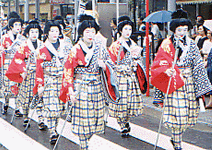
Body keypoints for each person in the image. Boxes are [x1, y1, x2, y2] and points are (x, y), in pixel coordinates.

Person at [151, 11, 212, 150]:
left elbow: (197, 64)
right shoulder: (167, 43)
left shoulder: (192, 44)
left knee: (187, 115)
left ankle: (176, 137)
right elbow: (159, 62)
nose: (182, 32)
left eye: (185, 30)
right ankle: (178, 143)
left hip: (188, 82)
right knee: (177, 113)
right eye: (179, 30)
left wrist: (200, 86)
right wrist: (166, 70)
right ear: (174, 30)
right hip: (174, 82)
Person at [60, 19, 116, 150]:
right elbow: (68, 71)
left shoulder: (100, 48)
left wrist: (105, 66)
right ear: (81, 33)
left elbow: (111, 64)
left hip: (97, 86)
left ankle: (86, 140)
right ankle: (84, 145)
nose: (90, 34)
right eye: (87, 32)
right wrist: (70, 90)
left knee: (96, 117)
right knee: (83, 118)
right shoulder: (75, 49)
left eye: (93, 31)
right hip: (81, 86)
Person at [34, 21, 72, 144]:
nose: (55, 34)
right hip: (49, 80)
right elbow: (39, 69)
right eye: (52, 31)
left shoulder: (65, 46)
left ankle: (54, 127)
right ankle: (52, 131)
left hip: (62, 81)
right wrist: (40, 85)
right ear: (47, 33)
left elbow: (70, 64)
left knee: (60, 108)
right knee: (51, 107)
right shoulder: (42, 49)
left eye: (57, 31)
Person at [108, 20, 146, 137]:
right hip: (120, 77)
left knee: (130, 102)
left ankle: (126, 120)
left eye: (130, 29)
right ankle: (122, 124)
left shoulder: (134, 45)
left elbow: (139, 60)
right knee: (122, 101)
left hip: (131, 76)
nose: (128, 32)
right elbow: (111, 62)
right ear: (120, 31)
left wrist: (136, 63)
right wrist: (121, 68)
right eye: (125, 29)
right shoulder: (115, 45)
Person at [6, 20, 46, 129]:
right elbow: (18, 58)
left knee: (39, 96)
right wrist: (23, 70)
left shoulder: (42, 45)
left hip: (40, 74)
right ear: (28, 33)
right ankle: (26, 116)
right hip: (28, 74)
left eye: (36, 32)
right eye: (32, 32)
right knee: (27, 96)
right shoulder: (24, 46)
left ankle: (41, 119)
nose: (34, 34)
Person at [0, 18, 26, 116]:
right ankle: (6, 103)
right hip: (7, 63)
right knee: (6, 85)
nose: (18, 28)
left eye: (19, 25)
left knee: (17, 85)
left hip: (18, 63)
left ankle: (17, 107)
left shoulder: (22, 39)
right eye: (16, 25)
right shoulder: (4, 38)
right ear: (11, 26)